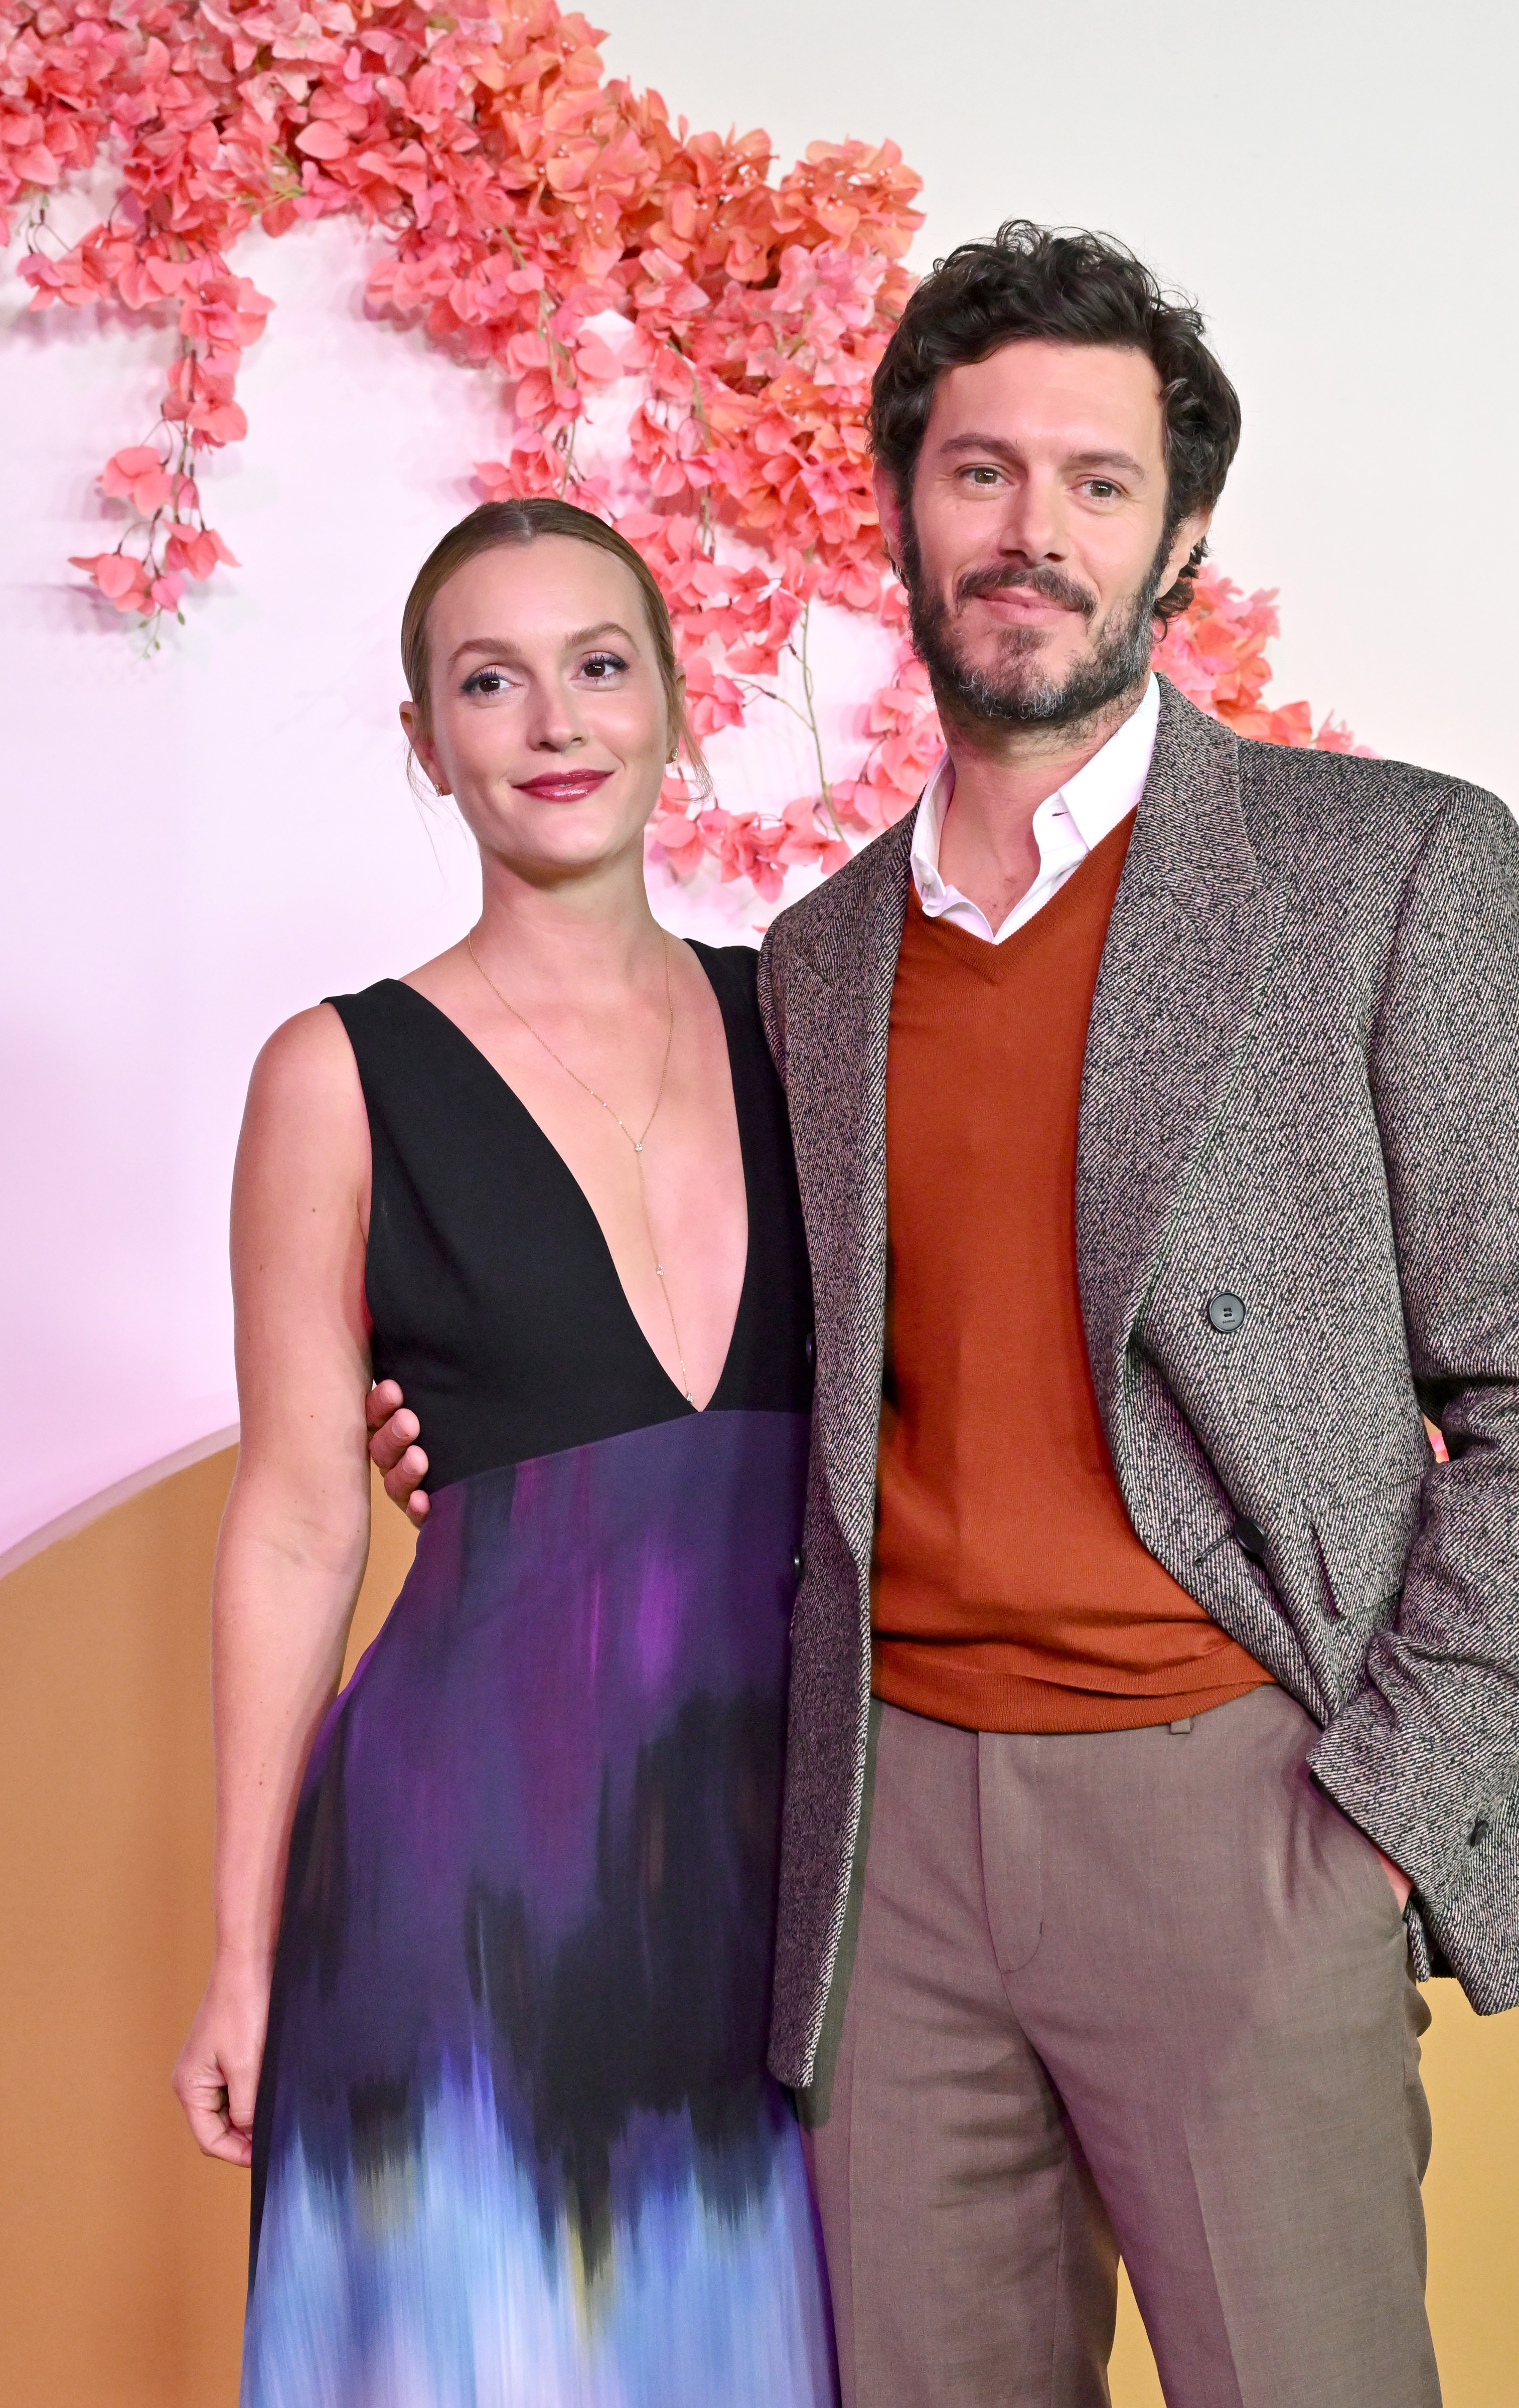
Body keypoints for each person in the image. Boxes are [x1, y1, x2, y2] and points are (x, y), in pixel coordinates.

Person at [373, 224, 1519, 2406]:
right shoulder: (824, 956)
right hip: (886, 1854)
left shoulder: (1389, 867)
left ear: (1183, 537)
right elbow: (761, 1342)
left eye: (1096, 481)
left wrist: (1368, 1817)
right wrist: (481, 1427)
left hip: (1238, 1810)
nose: (1031, 531)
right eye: (979, 473)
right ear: (901, 504)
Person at [172, 500, 837, 2405]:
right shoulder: (335, 1072)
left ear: (680, 708)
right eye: (490, 679)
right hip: (456, 1887)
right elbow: (299, 1518)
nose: (554, 720)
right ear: (426, 743)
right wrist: (240, 1947)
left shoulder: (813, 1025)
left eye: (599, 664)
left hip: (783, 1881)